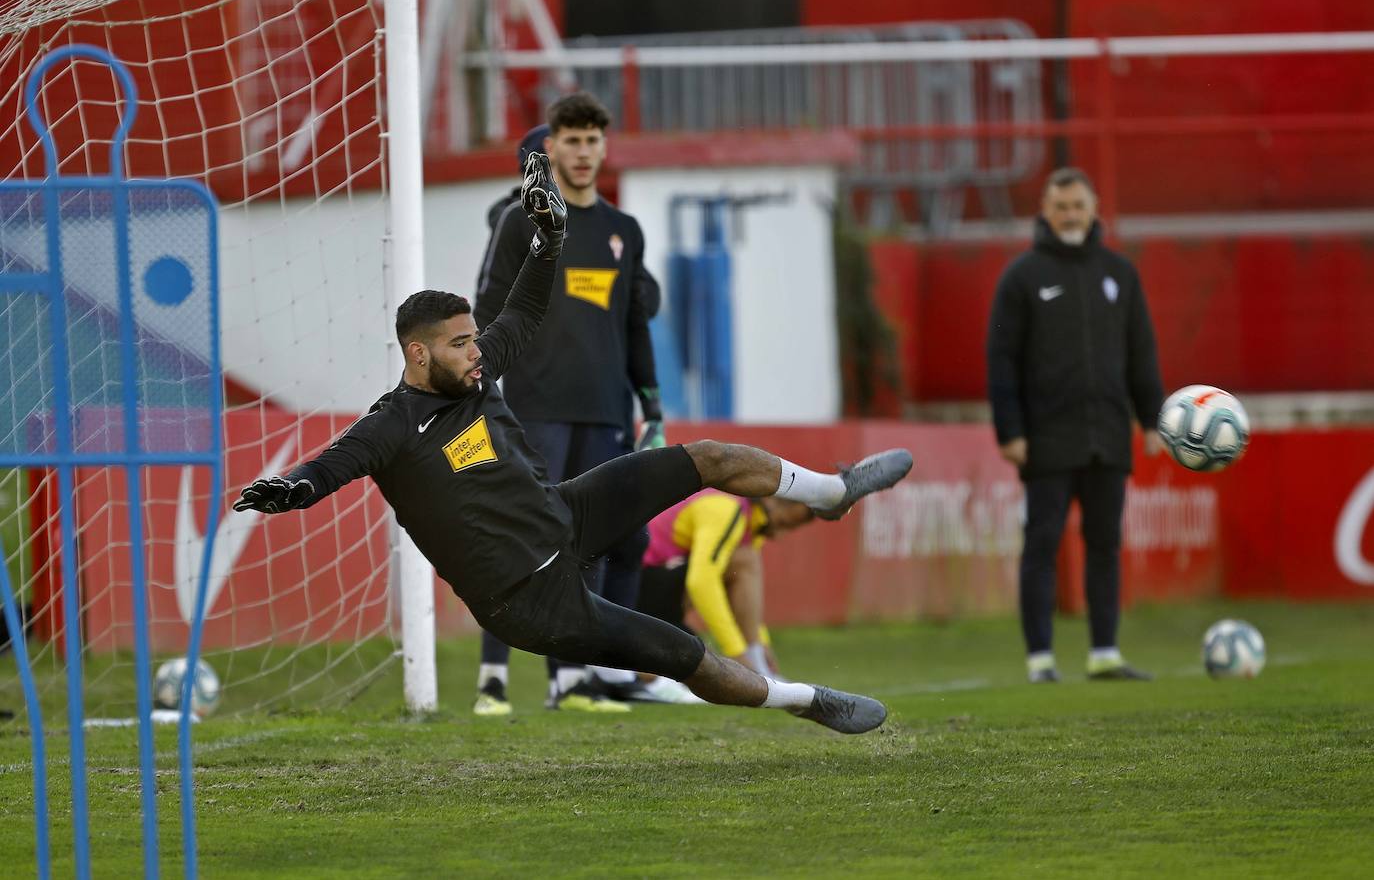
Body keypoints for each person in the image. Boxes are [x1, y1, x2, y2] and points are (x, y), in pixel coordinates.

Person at [234, 152, 911, 734]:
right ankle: (806, 701)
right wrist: (293, 489)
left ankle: (829, 492)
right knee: (684, 652)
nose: (477, 353)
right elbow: (333, 465)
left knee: (708, 457)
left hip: (567, 515)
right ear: (417, 354)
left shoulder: (475, 369)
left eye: (475, 339)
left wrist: (548, 240)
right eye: (459, 344)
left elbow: (523, 310)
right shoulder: (391, 424)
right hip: (528, 599)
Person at [470, 93, 664, 715]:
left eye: (592, 141)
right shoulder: (519, 221)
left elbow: (637, 322)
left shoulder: (623, 231)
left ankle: (577, 679)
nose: (582, 152)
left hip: (607, 410)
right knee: (534, 538)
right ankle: (494, 679)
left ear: (605, 148)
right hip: (537, 405)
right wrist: (488, 389)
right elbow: (486, 309)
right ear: (550, 147)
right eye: (570, 141)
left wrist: (651, 404)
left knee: (596, 541)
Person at [986, 167, 1165, 684]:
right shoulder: (1022, 277)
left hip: (1108, 433)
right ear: (1045, 210)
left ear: (1094, 209)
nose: (1070, 215)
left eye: (1078, 206)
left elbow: (1141, 352)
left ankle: (1104, 652)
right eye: (1061, 206)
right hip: (1045, 437)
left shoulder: (1120, 274)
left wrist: (1151, 419)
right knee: (1041, 544)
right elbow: (1001, 358)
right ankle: (1040, 659)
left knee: (1105, 543)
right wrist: (1010, 430)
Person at [636, 491, 817, 697]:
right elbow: (702, 582)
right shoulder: (725, 508)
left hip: (655, 588)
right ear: (768, 500)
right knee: (743, 560)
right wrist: (736, 651)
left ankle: (757, 665)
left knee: (694, 661)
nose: (779, 535)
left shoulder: (748, 519)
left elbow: (743, 596)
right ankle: (756, 668)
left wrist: (759, 641)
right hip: (639, 587)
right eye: (783, 523)